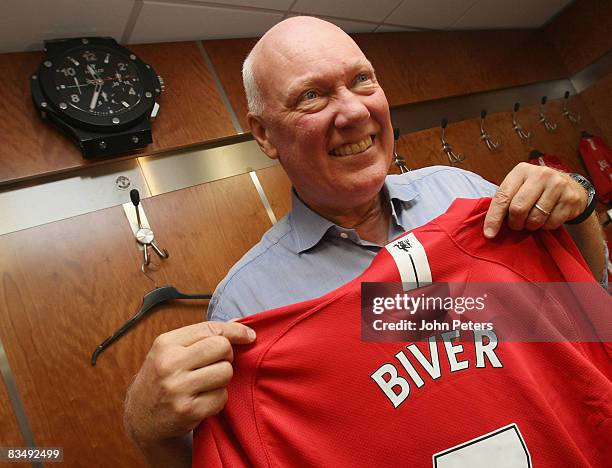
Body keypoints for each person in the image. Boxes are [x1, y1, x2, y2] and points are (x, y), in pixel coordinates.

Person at [123, 16, 607, 467]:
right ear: (264, 135)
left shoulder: (466, 193)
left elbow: (583, 310)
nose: (353, 110)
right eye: (312, 96)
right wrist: (150, 430)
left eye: (361, 80)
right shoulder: (245, 306)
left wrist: (578, 209)